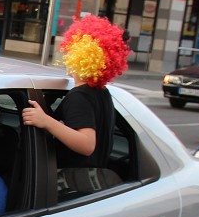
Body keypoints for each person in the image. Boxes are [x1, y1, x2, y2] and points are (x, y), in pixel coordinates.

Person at [21, 14, 128, 168]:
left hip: (73, 183)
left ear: (81, 56)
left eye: (71, 51)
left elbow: (87, 145)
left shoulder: (80, 96)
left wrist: (45, 121)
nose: (67, 55)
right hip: (93, 180)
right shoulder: (102, 93)